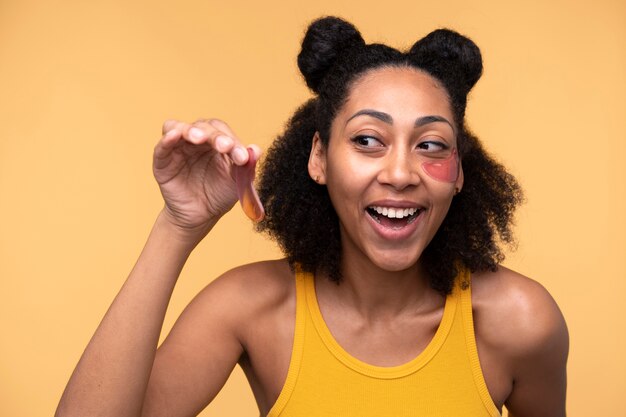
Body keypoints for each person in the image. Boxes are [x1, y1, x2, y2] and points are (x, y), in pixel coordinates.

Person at [55, 16, 568, 417]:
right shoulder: (252, 309)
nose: (401, 172)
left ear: (458, 172)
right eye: (368, 140)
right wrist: (178, 224)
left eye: (431, 145)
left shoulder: (518, 321)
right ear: (318, 157)